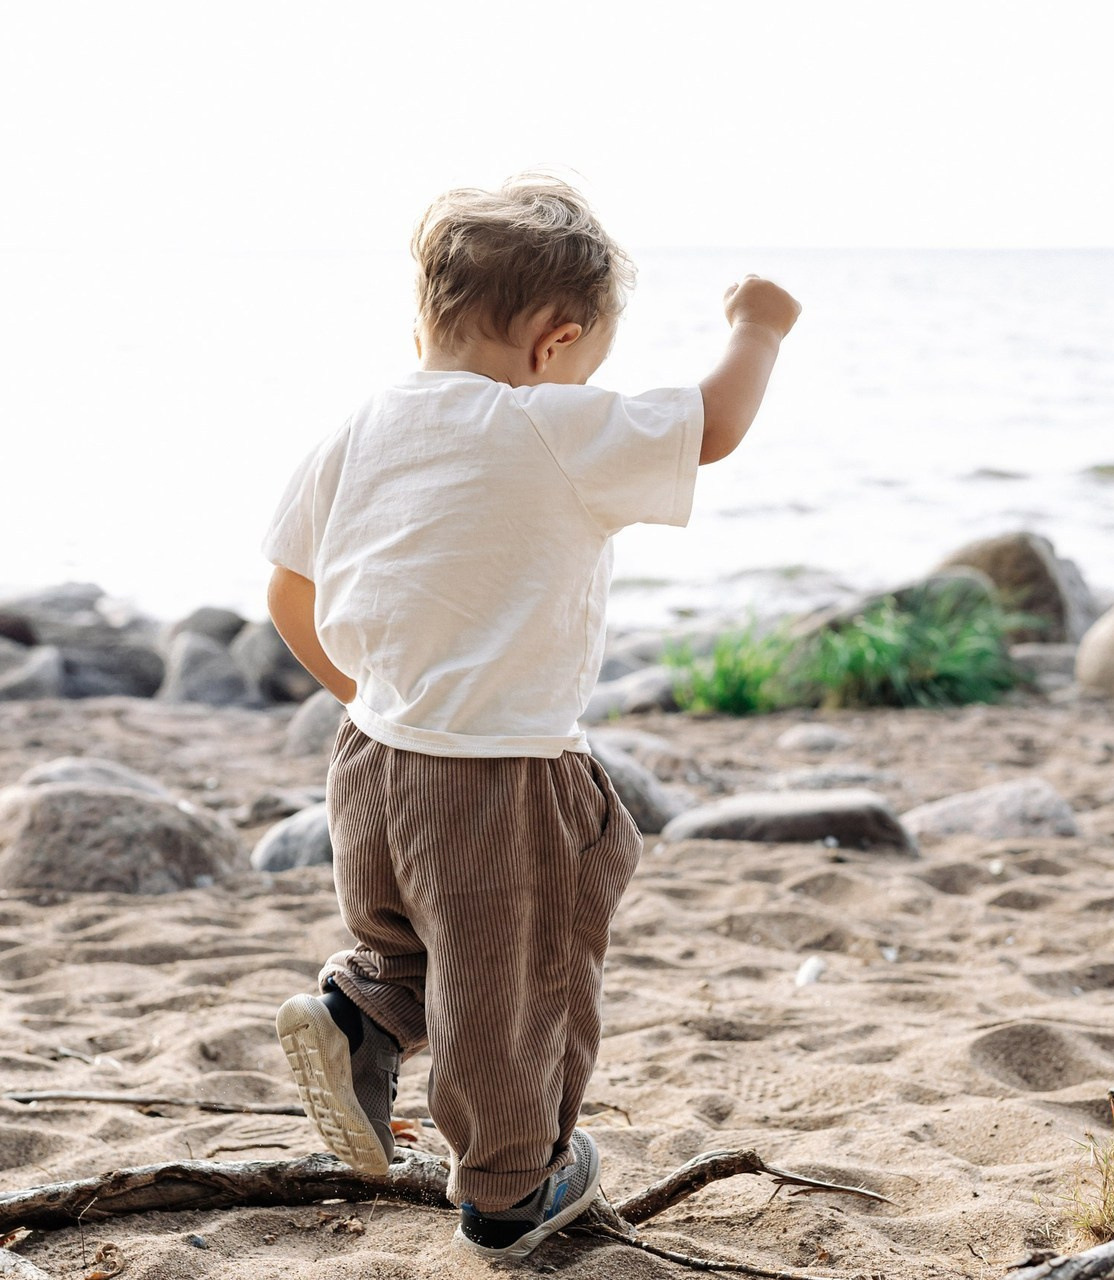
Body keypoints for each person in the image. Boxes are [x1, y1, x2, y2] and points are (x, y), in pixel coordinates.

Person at [263, 174, 800, 1261]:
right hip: (499, 774)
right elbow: (714, 426)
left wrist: (376, 697)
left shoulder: (363, 425)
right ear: (554, 344)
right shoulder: (545, 420)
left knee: (416, 935)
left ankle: (360, 1013)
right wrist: (757, 324)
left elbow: (286, 589)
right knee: (516, 975)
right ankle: (512, 1186)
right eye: (588, 363)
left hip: (370, 759)